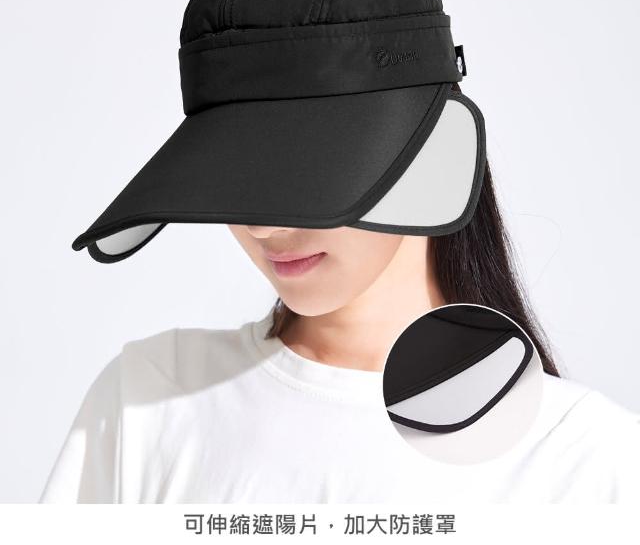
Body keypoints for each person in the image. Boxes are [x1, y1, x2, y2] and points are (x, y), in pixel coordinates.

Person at [39, 154, 640, 503]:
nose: (261, 225)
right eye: (232, 169)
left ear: (431, 152)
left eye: (307, 166)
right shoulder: (150, 399)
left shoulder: (588, 458)